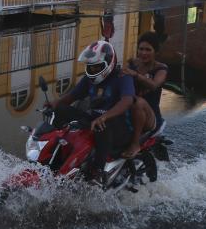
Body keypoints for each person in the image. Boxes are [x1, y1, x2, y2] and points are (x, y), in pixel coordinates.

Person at [51, 39, 141, 179]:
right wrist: (55, 104)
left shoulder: (123, 76)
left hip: (119, 127)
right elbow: (72, 96)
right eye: (90, 67)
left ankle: (98, 171)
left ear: (109, 63)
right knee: (62, 110)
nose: (93, 70)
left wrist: (104, 117)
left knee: (102, 127)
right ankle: (56, 154)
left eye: (96, 67)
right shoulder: (88, 79)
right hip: (94, 120)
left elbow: (127, 101)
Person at [124, 32, 168, 136]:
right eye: (141, 49)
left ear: (155, 51)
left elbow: (154, 85)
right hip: (128, 109)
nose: (144, 53)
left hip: (150, 115)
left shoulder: (161, 69)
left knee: (138, 102)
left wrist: (136, 75)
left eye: (148, 50)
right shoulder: (132, 63)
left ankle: (135, 144)